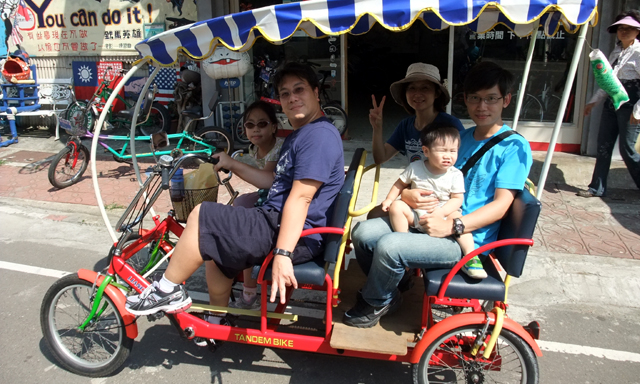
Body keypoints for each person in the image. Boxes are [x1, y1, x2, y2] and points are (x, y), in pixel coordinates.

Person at [126, 63, 344, 318]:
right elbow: (272, 181)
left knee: (202, 215)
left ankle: (166, 290)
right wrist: (231, 163)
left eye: (299, 90)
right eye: (285, 94)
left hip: (292, 233)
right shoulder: (302, 134)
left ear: (316, 93)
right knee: (213, 248)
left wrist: (283, 253)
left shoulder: (318, 136)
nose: (292, 98)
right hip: (276, 221)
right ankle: (217, 319)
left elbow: (302, 197)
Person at [343, 61, 532, 328]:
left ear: (506, 100)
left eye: (491, 98)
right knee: (362, 233)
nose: (482, 106)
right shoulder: (460, 137)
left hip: (465, 239)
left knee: (390, 246)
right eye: (475, 98)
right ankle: (392, 289)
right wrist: (406, 196)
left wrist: (453, 225)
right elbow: (428, 176)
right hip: (429, 219)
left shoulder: (513, 147)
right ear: (466, 100)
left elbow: (501, 206)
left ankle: (376, 301)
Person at [382, 122, 486, 279]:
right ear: (426, 151)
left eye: (453, 151)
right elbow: (400, 184)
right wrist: (389, 200)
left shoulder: (455, 174)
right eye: (442, 150)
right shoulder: (415, 167)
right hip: (416, 215)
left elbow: (457, 199)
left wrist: (441, 212)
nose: (448, 156)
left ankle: (470, 257)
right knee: (397, 206)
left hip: (443, 217)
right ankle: (403, 241)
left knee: (458, 219)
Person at [368, 63, 464, 217]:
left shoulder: (450, 125)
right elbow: (380, 158)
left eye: (425, 88)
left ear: (437, 93)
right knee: (374, 214)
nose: (417, 94)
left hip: (442, 199)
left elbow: (461, 164)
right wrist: (377, 128)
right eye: (412, 88)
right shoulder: (406, 125)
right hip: (414, 194)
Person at [229, 100, 284, 309]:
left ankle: (249, 292)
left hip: (278, 199)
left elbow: (266, 179)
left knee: (244, 227)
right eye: (250, 125)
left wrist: (233, 165)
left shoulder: (277, 149)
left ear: (274, 126)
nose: (256, 129)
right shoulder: (254, 149)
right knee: (239, 203)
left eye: (262, 124)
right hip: (269, 194)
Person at [579, 11, 640, 197]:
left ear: (637, 31)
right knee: (603, 146)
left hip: (631, 106)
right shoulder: (615, 52)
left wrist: (638, 111)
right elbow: (609, 81)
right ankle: (596, 187)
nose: (624, 32)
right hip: (611, 105)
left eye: (629, 28)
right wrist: (593, 102)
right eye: (621, 28)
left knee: (627, 149)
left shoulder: (638, 53)